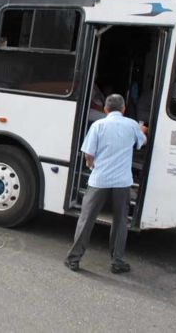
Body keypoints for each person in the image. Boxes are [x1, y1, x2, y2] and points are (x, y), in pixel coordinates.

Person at [65, 93, 147, 274]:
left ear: (105, 109)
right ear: (124, 109)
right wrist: (142, 130)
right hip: (122, 182)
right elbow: (141, 142)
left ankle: (74, 259)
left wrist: (91, 165)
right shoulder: (132, 125)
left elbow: (88, 154)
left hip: (99, 180)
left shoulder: (98, 125)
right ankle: (117, 262)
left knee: (86, 219)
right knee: (120, 222)